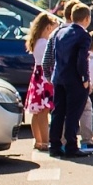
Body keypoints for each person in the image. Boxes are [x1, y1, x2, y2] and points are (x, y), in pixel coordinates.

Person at [48, 4, 93, 159]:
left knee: (58, 113)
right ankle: (71, 147)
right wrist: (85, 78)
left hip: (59, 77)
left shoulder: (60, 32)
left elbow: (55, 55)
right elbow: (82, 59)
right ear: (87, 19)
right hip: (75, 80)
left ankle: (54, 146)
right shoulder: (84, 35)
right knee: (73, 114)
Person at [23, 12, 58, 152]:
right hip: (45, 77)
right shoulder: (44, 43)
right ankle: (45, 141)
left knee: (37, 112)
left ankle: (38, 140)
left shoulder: (37, 41)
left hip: (38, 76)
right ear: (48, 27)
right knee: (44, 110)